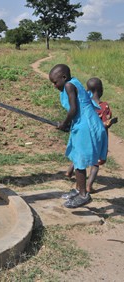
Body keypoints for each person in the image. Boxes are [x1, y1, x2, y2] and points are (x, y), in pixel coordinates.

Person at [49, 64, 108, 208]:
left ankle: (83, 195)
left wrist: (64, 123)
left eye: (55, 82)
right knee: (77, 157)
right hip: (83, 124)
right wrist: (69, 124)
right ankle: (77, 189)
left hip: (86, 127)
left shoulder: (69, 85)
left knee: (80, 162)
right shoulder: (73, 82)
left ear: (63, 77)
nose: (54, 85)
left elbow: (74, 109)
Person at [64, 77, 118, 193]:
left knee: (80, 156)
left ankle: (69, 172)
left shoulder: (85, 101)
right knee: (95, 163)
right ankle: (88, 186)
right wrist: (112, 122)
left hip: (83, 135)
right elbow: (104, 124)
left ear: (87, 89)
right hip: (97, 139)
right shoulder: (104, 107)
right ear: (101, 90)